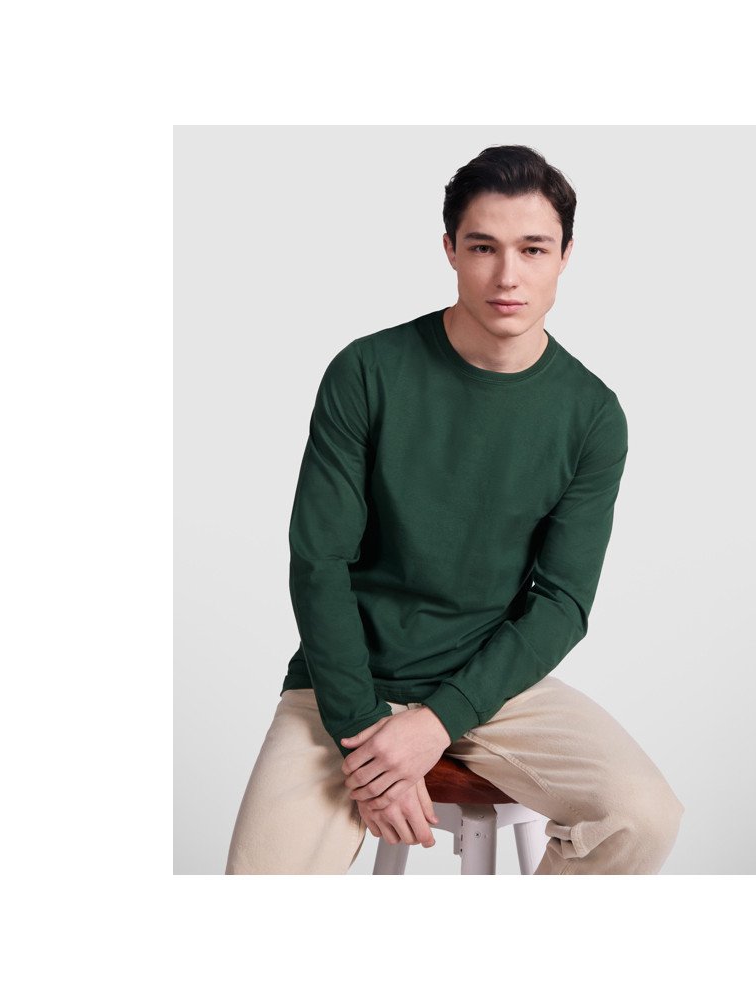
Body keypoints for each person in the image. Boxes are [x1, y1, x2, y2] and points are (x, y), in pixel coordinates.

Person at [225, 144, 685, 875]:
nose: (508, 275)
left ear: (565, 255)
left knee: (643, 816)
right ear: (450, 250)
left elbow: (562, 602)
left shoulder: (592, 415)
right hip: (341, 684)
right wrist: (366, 742)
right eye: (483, 247)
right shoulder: (367, 372)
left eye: (533, 248)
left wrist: (437, 721)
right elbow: (319, 563)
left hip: (490, 686)